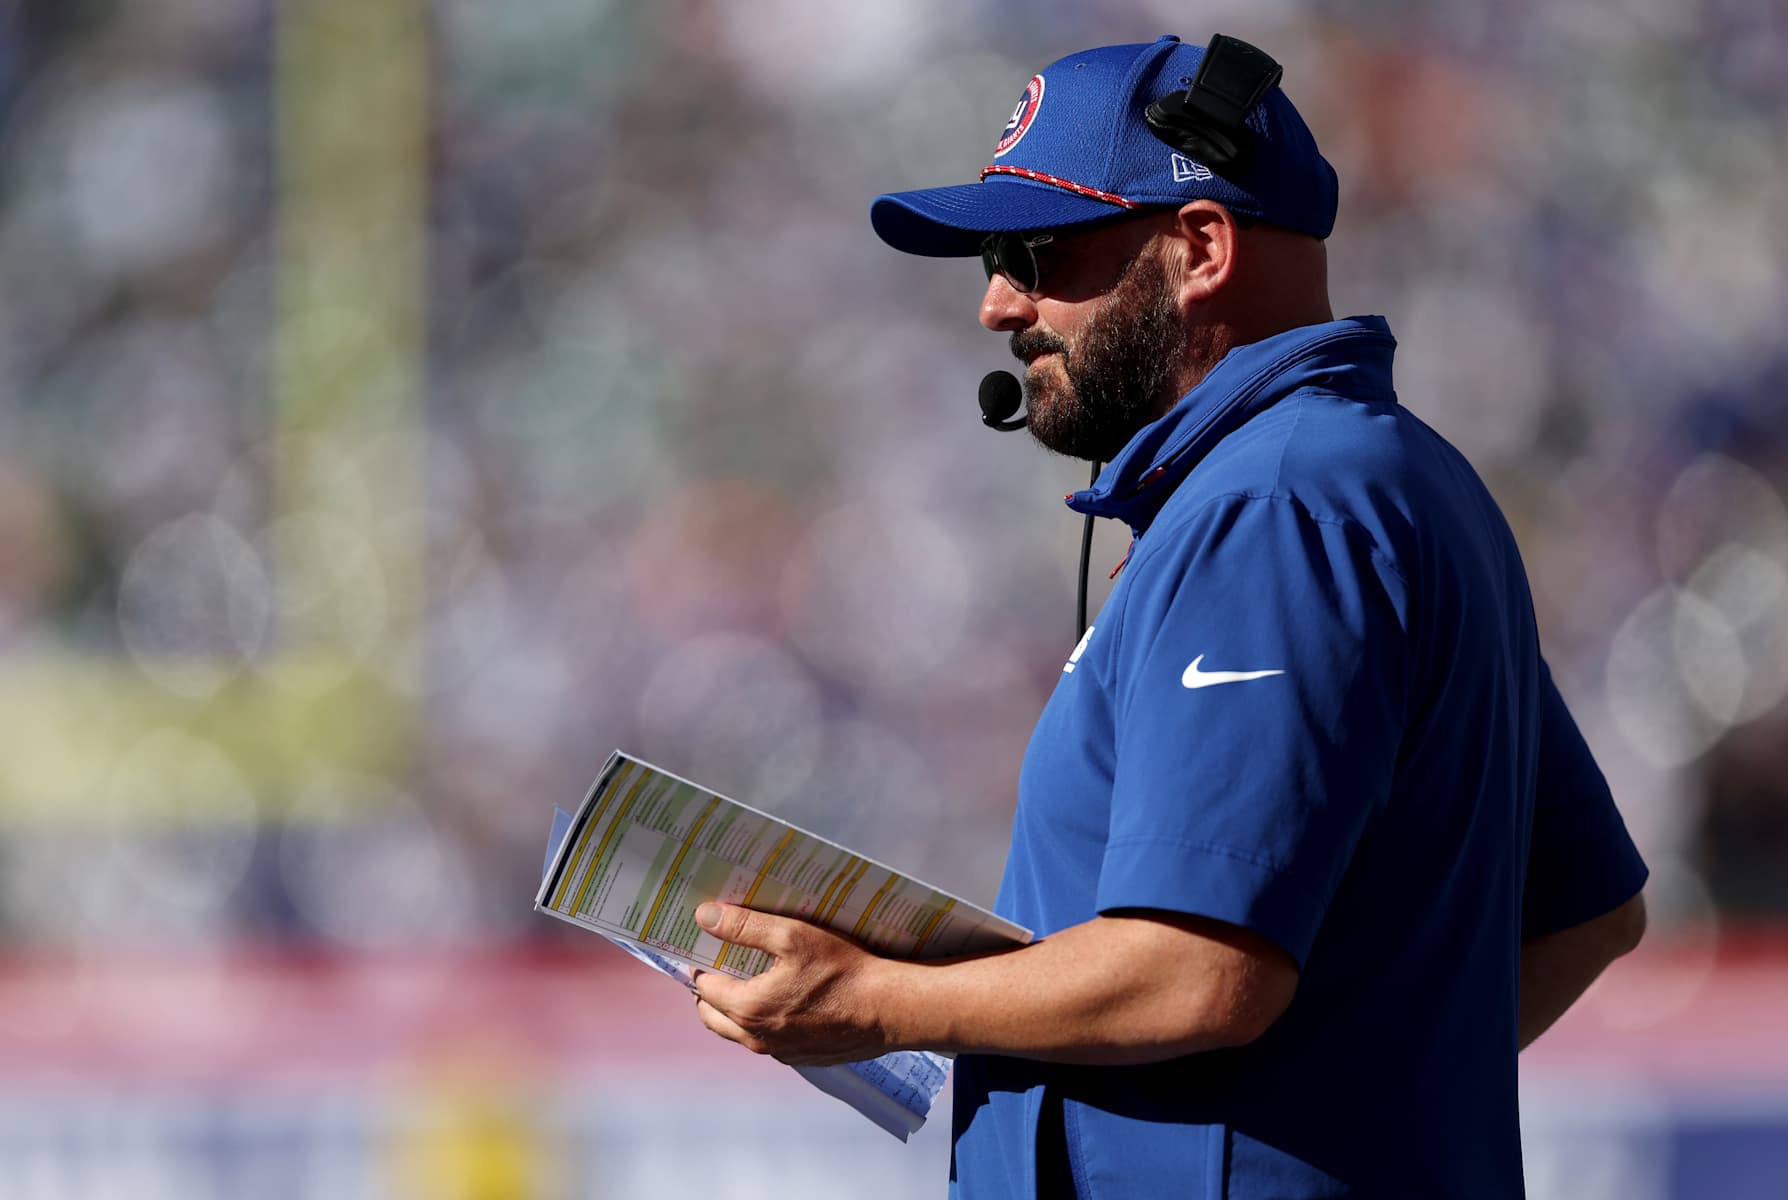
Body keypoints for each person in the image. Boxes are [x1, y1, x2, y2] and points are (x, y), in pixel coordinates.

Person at [689, 33, 1648, 1198]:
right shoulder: (1391, 481)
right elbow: (1593, 912)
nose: (999, 304)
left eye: (1034, 249)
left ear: (1198, 246)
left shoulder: (1276, 505)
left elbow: (1201, 973)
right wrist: (1365, 1094)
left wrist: (878, 1001)